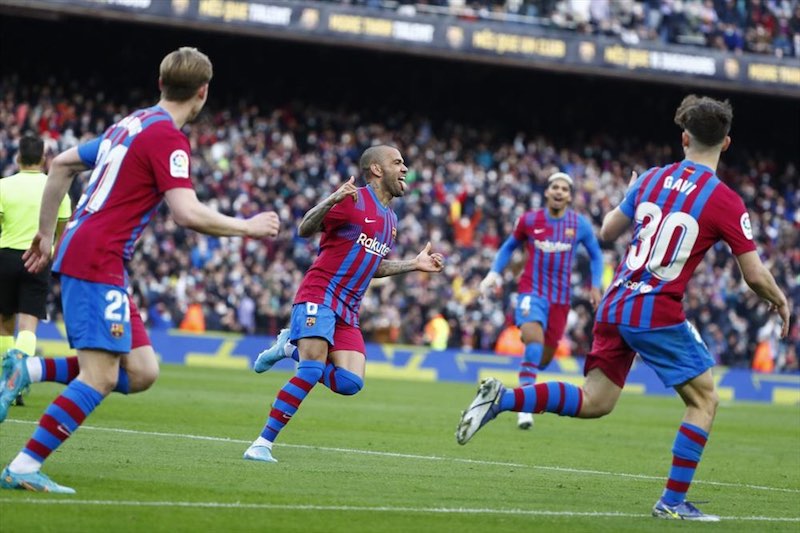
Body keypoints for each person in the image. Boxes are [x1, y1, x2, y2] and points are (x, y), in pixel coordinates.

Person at [455, 95, 791, 521]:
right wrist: (780, 301)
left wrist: (630, 193)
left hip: (615, 303)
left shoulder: (650, 179)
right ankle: (671, 503)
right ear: (726, 144)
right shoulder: (725, 200)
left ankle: (504, 399)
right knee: (705, 401)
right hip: (656, 309)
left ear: (684, 138)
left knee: (595, 401)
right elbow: (755, 274)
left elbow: (608, 231)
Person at [0, 47, 280, 494]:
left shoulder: (131, 123)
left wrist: (48, 233)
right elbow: (186, 213)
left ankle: (27, 372)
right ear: (203, 92)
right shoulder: (167, 137)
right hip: (99, 256)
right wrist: (246, 227)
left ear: (160, 83)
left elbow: (63, 164)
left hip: (98, 254)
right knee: (102, 376)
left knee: (143, 370)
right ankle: (25, 465)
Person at [243, 145, 445, 463]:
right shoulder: (352, 201)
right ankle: (261, 444)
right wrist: (331, 200)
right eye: (398, 162)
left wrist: (413, 264)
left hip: (348, 310)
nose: (405, 168)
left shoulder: (390, 221)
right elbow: (304, 228)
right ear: (376, 169)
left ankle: (287, 348)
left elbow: (373, 265)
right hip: (319, 295)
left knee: (350, 382)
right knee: (310, 372)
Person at [478, 171, 603, 430]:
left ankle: (531, 350)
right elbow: (509, 247)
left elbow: (596, 256)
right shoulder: (529, 220)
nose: (559, 192)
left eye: (564, 189)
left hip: (560, 300)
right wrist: (493, 274)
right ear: (546, 192)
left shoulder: (579, 225)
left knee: (543, 357)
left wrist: (596, 284)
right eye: (554, 187)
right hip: (532, 292)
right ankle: (524, 407)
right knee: (534, 339)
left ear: (569, 196)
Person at [0, 133, 72, 413]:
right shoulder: (56, 189)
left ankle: (3, 381)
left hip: (5, 256)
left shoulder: (4, 186)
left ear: (18, 157)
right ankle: (18, 382)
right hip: (39, 258)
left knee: (5, 324)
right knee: (28, 325)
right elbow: (62, 231)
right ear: (44, 158)